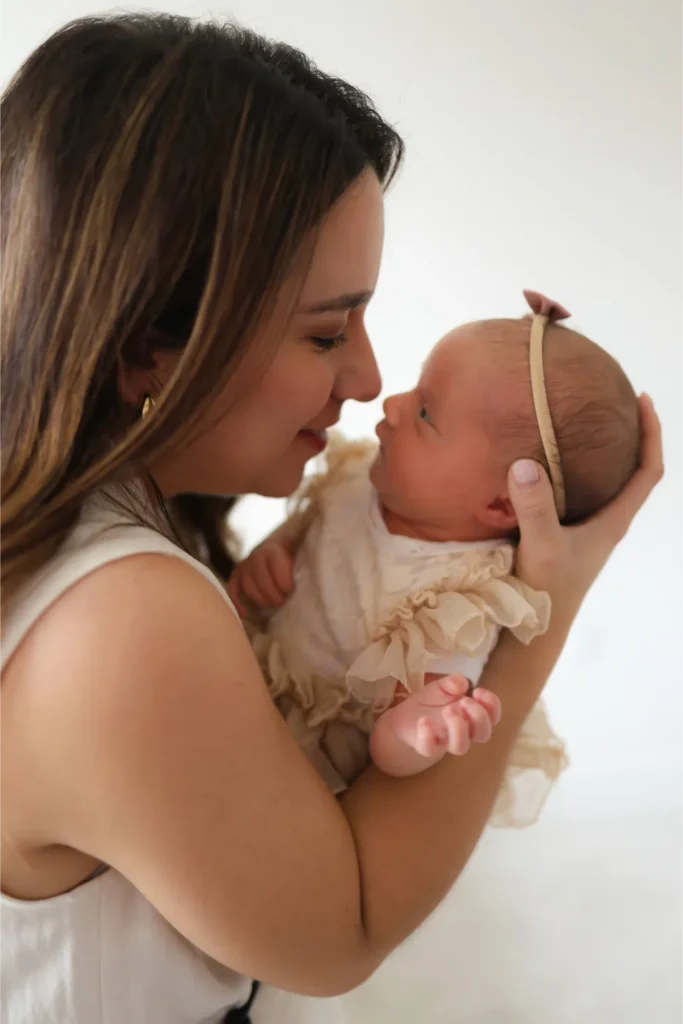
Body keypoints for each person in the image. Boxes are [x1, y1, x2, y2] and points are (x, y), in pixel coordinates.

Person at [0, 13, 662, 1024]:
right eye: (324, 330)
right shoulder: (120, 619)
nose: (365, 378)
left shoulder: (114, 540)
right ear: (146, 352)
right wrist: (536, 608)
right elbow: (337, 932)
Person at [228, 292, 639, 826]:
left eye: (425, 412)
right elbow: (309, 528)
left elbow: (391, 754)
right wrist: (272, 552)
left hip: (303, 770)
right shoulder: (361, 480)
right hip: (245, 687)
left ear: (500, 503)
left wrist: (416, 733)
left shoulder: (462, 599)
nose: (392, 405)